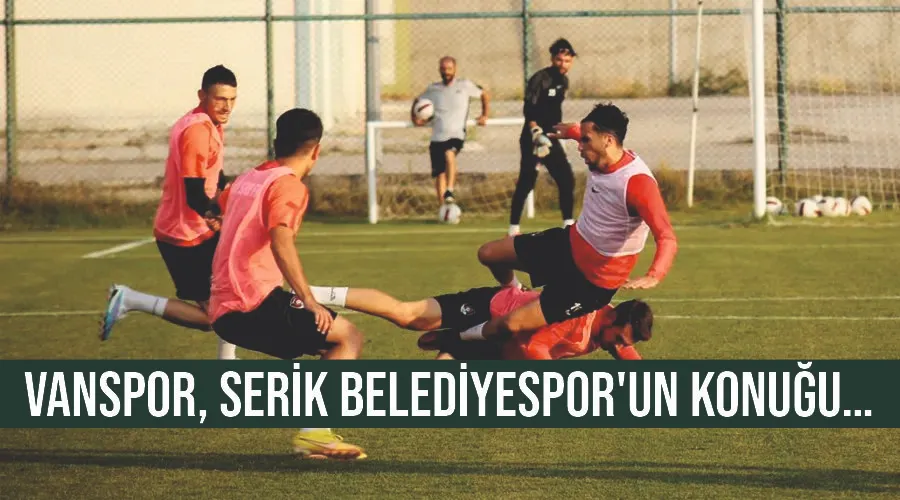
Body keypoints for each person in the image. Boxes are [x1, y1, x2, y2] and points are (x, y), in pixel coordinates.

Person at [209, 108, 366, 460]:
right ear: (316, 150)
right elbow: (281, 240)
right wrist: (307, 298)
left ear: (277, 142)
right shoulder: (289, 185)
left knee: (330, 346)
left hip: (223, 307)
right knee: (349, 337)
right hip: (253, 303)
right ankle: (314, 434)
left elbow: (218, 207)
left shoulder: (249, 177)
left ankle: (313, 430)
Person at [456, 103, 678, 346]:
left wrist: (655, 274)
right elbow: (582, 132)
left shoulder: (637, 183)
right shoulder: (601, 154)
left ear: (608, 140)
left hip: (592, 283)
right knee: (488, 254)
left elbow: (666, 236)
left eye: (585, 140)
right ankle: (516, 292)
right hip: (567, 245)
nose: (580, 147)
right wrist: (571, 131)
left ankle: (456, 339)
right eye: (580, 139)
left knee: (510, 324)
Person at [100, 65, 239, 361]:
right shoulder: (197, 130)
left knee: (231, 299)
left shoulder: (209, 123)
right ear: (202, 95)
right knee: (214, 316)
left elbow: (212, 171)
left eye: (232, 99)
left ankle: (226, 366)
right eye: (220, 99)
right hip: (185, 235)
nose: (227, 106)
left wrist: (227, 193)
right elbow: (193, 193)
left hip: (196, 230)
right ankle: (130, 299)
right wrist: (219, 216)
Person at [308, 284, 650, 361]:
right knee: (407, 315)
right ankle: (313, 292)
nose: (619, 346)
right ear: (612, 317)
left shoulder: (610, 328)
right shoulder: (578, 319)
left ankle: (454, 342)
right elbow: (535, 347)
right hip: (492, 310)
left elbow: (628, 356)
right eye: (620, 339)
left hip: (501, 344)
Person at [509, 38, 578, 236]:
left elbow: (554, 112)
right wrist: (535, 132)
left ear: (572, 61)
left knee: (566, 179)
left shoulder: (564, 81)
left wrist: (561, 131)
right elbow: (529, 108)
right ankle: (513, 229)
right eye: (559, 60)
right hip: (534, 137)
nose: (563, 64)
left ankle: (568, 226)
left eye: (567, 60)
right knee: (527, 182)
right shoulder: (540, 78)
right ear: (552, 59)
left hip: (551, 137)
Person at [411, 56, 490, 205]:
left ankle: (450, 190)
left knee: (449, 153)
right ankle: (444, 209)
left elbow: (484, 95)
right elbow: (417, 101)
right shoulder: (433, 89)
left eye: (449, 69)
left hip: (456, 134)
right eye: (443, 69)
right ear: (439, 70)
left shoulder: (464, 85)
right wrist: (415, 119)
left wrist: (484, 115)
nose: (446, 72)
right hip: (437, 136)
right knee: (440, 173)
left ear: (455, 69)